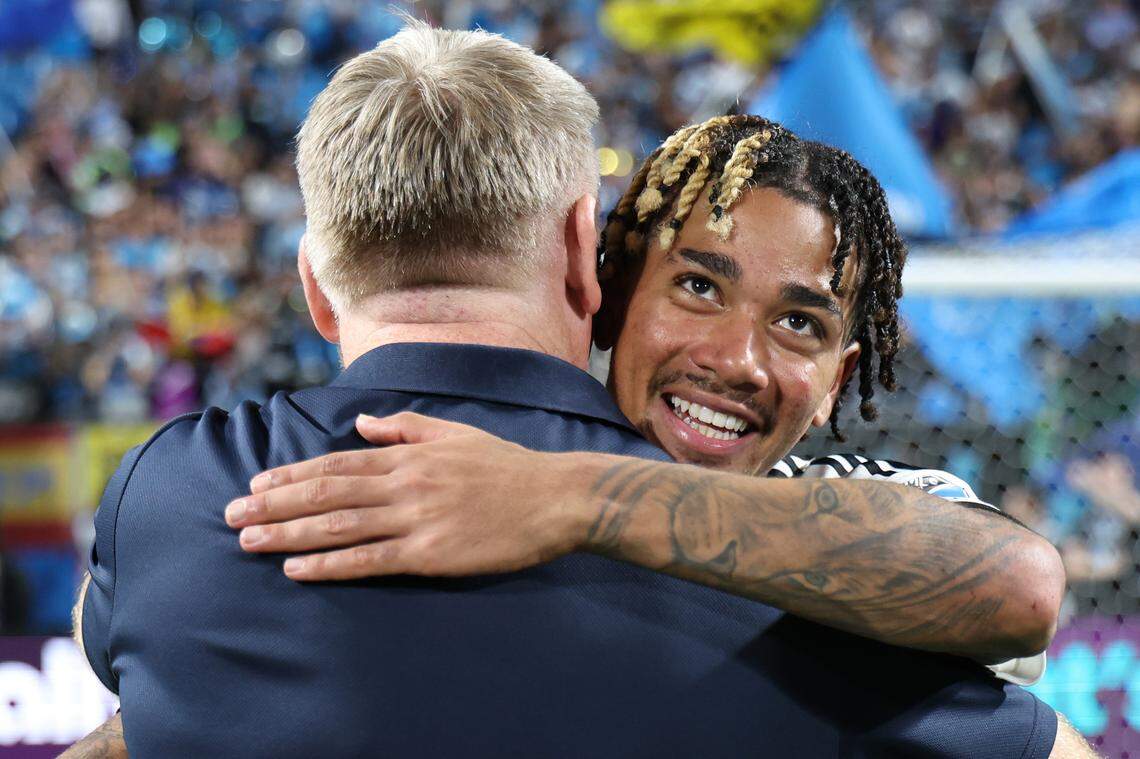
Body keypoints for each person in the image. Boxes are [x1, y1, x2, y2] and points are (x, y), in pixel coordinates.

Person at [70, 22, 1084, 758]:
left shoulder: (175, 493)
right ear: (590, 263)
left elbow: (1020, 589)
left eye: (800, 323)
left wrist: (570, 497)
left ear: (313, 287)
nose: (736, 358)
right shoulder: (812, 619)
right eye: (697, 285)